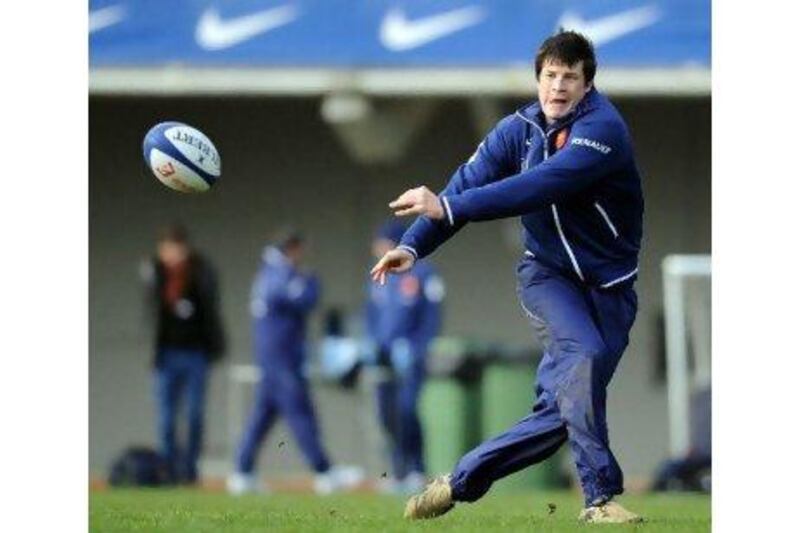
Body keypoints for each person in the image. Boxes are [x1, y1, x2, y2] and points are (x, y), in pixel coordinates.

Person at [370, 31, 644, 523]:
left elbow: (540, 185)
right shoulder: (515, 130)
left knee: (560, 413)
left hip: (611, 290)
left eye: (570, 77)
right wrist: (412, 245)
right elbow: (465, 185)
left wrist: (449, 205)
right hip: (548, 277)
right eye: (550, 75)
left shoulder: (603, 128)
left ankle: (458, 481)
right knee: (582, 357)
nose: (558, 86)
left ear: (587, 85)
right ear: (537, 78)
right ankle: (599, 499)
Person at [227, 229, 363, 495]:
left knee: (262, 417)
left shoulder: (267, 272)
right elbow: (305, 298)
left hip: (272, 358)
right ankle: (324, 472)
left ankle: (241, 472)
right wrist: (312, 281)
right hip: (281, 359)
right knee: (301, 415)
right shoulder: (278, 273)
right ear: (292, 248)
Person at [142, 223, 226, 484]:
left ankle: (189, 470)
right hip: (165, 355)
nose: (173, 253)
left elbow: (211, 306)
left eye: (177, 247)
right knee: (166, 418)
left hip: (195, 354)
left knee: (194, 416)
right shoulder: (154, 273)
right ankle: (168, 471)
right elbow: (151, 311)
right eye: (168, 248)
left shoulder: (200, 271)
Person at [364, 220, 444, 494]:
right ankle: (397, 472)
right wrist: (372, 346)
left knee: (407, 410)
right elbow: (371, 316)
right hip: (384, 358)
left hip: (411, 357)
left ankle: (417, 469)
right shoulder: (378, 275)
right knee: (387, 415)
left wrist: (418, 348)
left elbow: (432, 318)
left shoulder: (423, 274)